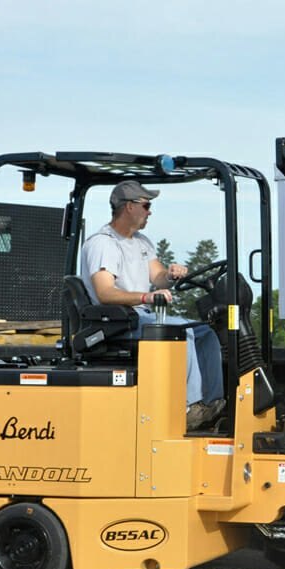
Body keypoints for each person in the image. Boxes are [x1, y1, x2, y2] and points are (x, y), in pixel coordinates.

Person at [80, 180, 224, 429]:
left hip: (139, 316)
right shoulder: (103, 244)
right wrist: (145, 297)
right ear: (129, 207)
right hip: (117, 322)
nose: (150, 211)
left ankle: (212, 403)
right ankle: (187, 408)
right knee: (182, 332)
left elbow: (157, 277)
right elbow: (105, 293)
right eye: (146, 205)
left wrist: (171, 273)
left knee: (205, 332)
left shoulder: (141, 242)